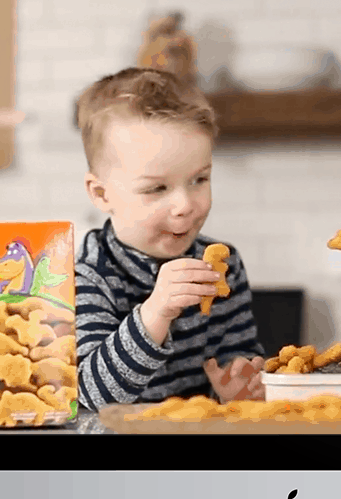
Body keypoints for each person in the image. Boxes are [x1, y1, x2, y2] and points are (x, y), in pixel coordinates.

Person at [73, 67, 265, 410]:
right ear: (102, 194)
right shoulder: (87, 276)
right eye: (156, 188)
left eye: (199, 180)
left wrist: (239, 387)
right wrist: (155, 313)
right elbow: (89, 395)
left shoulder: (225, 266)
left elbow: (242, 361)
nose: (185, 205)